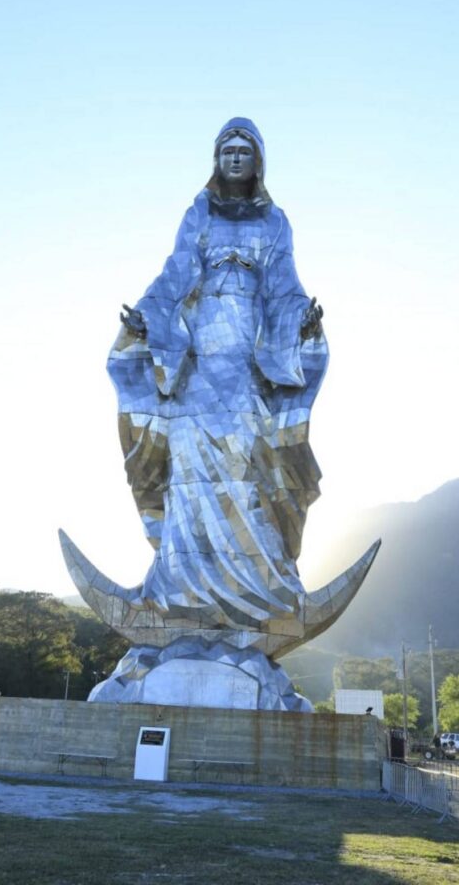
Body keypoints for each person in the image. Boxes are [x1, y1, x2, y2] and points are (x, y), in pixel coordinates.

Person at [108, 117, 328, 632]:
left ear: (257, 162)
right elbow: (174, 273)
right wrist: (146, 317)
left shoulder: (275, 223)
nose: (234, 158)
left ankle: (263, 591)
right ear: (216, 159)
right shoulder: (198, 214)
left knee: (249, 464)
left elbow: (285, 286)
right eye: (226, 149)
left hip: (246, 361)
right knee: (186, 465)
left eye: (243, 151)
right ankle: (175, 592)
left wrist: (301, 322)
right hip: (196, 359)